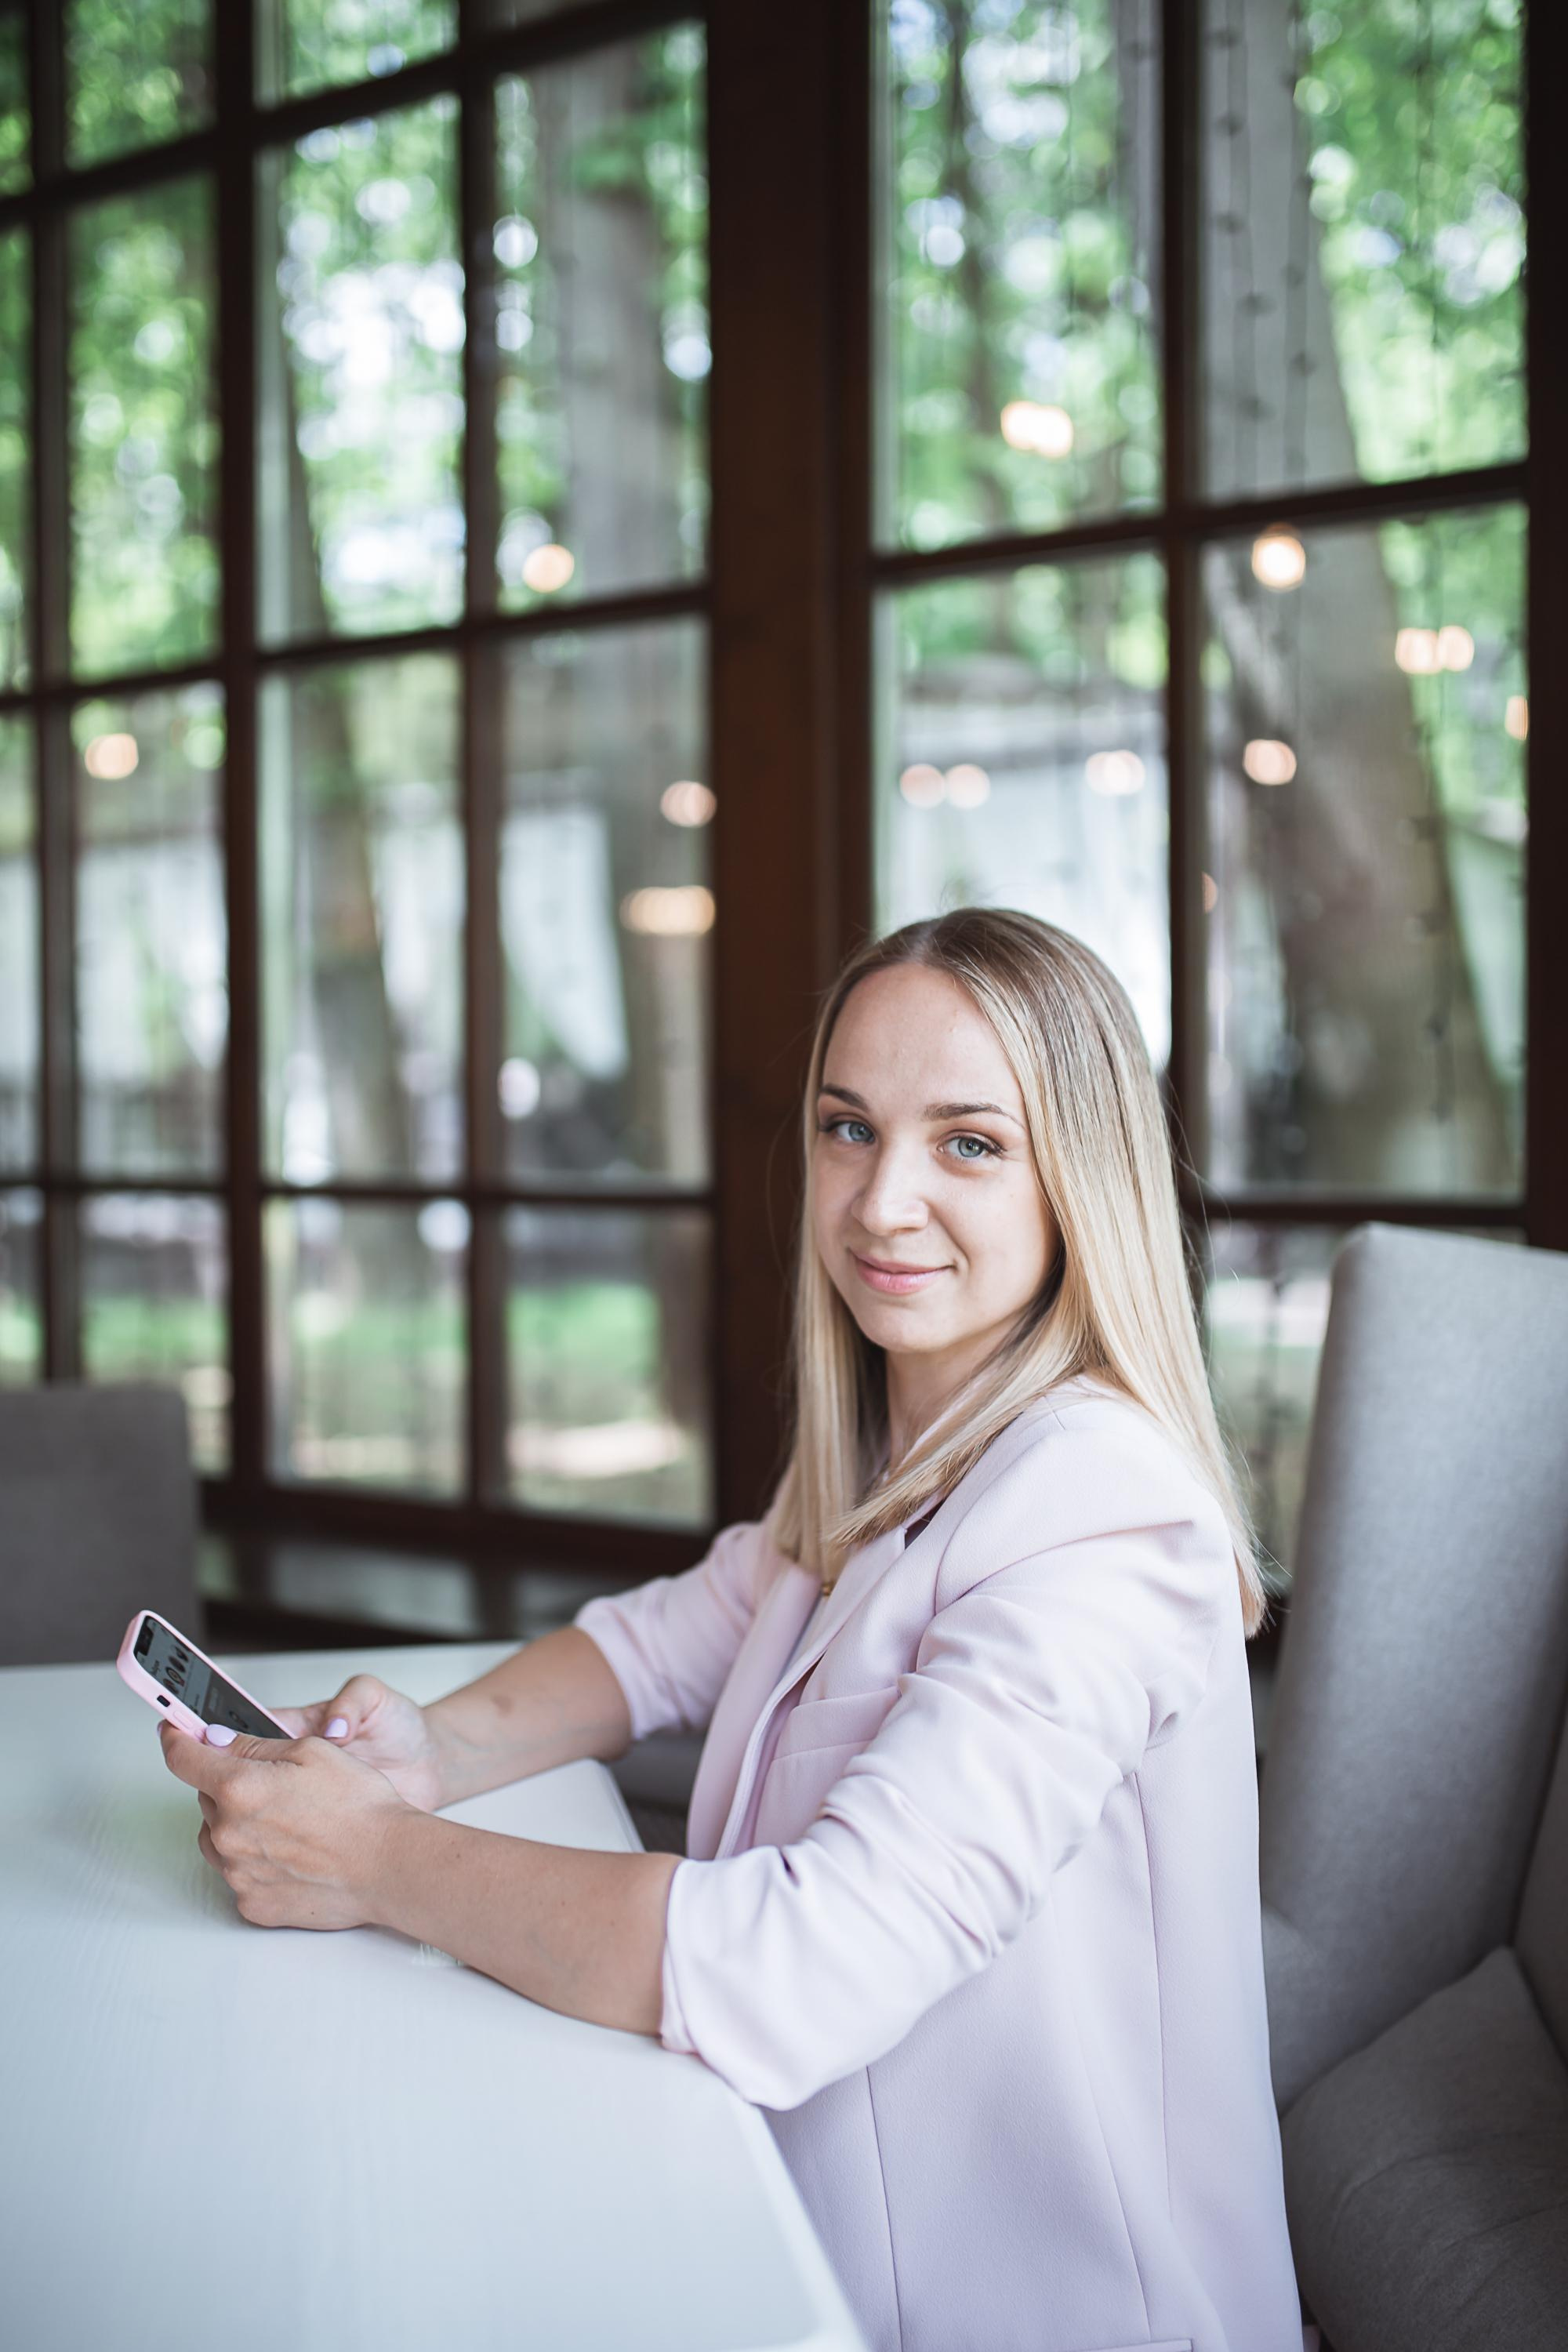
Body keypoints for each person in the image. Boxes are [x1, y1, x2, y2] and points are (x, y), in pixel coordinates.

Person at [161, 908, 1306, 2352]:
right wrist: (428, 1752)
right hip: (775, 2216)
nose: (882, 1202)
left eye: (969, 1142)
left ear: (1081, 1178)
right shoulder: (905, 1438)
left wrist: (378, 1859)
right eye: (848, 1128)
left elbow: (803, 1969)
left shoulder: (1102, 1519)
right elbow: (666, 1644)